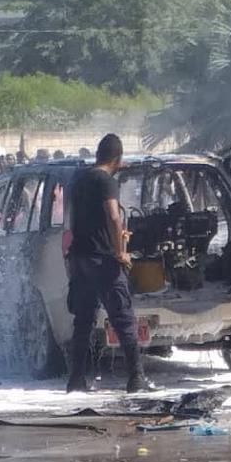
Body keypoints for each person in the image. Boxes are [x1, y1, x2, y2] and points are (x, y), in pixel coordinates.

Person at [66, 133, 151, 393]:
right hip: (102, 260)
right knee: (123, 318)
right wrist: (120, 251)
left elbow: (78, 219)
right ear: (118, 159)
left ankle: (76, 380)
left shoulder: (79, 180)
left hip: (79, 258)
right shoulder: (105, 181)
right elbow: (114, 217)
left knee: (83, 320)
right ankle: (136, 379)